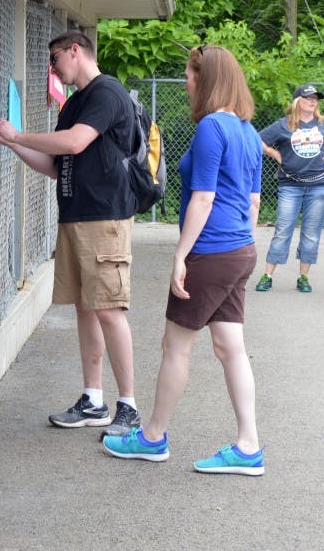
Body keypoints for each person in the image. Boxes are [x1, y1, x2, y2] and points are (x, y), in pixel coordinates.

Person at [102, 45, 265, 475]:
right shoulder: (249, 131)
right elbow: (252, 202)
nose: (187, 82)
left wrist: (181, 254)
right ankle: (249, 446)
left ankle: (152, 437)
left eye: (191, 75)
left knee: (175, 346)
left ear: (206, 79)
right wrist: (239, 248)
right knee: (231, 347)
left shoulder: (213, 127)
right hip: (240, 249)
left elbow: (205, 196)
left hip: (211, 251)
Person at [0, 31, 141, 435]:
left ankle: (129, 406)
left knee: (108, 308)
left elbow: (74, 143)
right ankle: (93, 399)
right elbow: (56, 164)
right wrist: (10, 142)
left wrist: (19, 133)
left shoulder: (108, 93)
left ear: (75, 51)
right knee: (86, 308)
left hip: (105, 219)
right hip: (74, 216)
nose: (52, 68)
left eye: (55, 59)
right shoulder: (73, 104)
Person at [255, 84, 324, 293]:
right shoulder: (284, 125)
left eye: (316, 98)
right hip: (290, 185)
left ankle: (303, 277)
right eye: (308, 97)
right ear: (298, 100)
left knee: (311, 233)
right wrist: (274, 154)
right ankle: (268, 275)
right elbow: (256, 139)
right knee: (283, 230)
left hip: (320, 186)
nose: (313, 101)